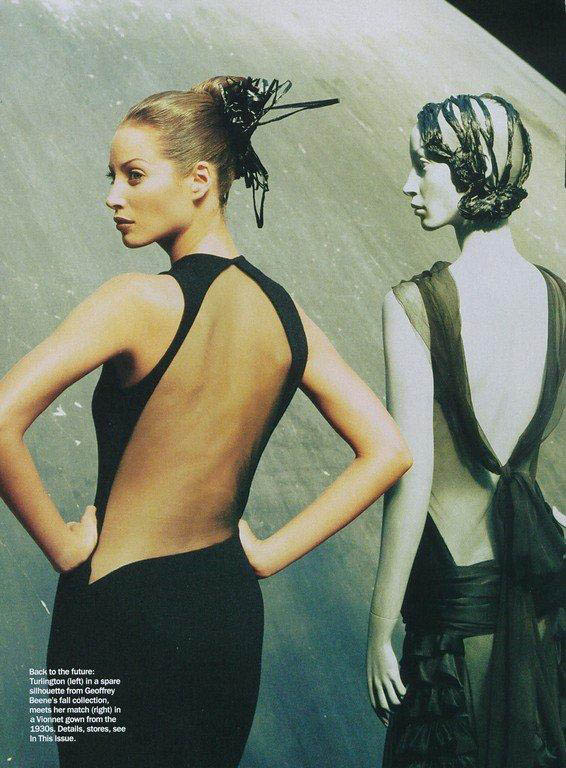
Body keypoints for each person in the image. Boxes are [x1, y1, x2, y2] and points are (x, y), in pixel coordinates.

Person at [0, 75, 411, 768]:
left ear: (199, 180)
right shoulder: (287, 315)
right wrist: (268, 554)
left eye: (133, 175)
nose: (113, 196)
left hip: (112, 616)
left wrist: (65, 549)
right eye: (111, 177)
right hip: (227, 618)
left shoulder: (134, 301)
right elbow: (389, 450)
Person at [366, 93, 565, 768]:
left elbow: (411, 473)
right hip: (537, 588)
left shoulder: (416, 304)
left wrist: (379, 626)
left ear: (471, 168)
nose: (409, 184)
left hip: (452, 599)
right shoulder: (556, 297)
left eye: (425, 165)